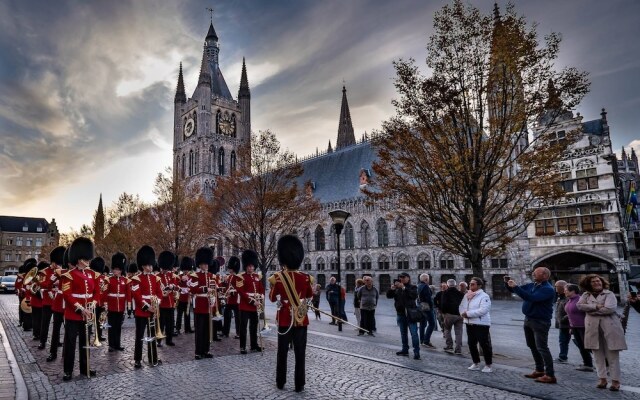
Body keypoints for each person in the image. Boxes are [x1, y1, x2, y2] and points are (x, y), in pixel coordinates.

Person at [269, 235, 314, 393]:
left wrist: (282, 298)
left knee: (282, 353)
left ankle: (280, 381)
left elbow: (272, 297)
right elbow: (309, 295)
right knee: (300, 353)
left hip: (284, 320)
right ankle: (299, 384)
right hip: (301, 320)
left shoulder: (278, 278)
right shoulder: (306, 278)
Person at [506, 267, 556, 384]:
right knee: (532, 345)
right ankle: (539, 370)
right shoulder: (532, 285)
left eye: (536, 273)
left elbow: (531, 298)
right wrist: (508, 284)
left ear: (544, 275)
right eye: (533, 273)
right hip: (528, 319)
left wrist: (515, 287)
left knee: (542, 347)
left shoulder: (547, 289)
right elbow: (516, 291)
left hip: (540, 321)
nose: (533, 274)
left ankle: (550, 375)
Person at [577, 274, 627, 391]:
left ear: (602, 282)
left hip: (610, 328)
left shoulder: (609, 294)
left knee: (612, 356)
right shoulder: (585, 295)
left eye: (598, 281)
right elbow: (579, 306)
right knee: (597, 356)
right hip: (592, 328)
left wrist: (591, 309)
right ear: (589, 284)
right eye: (593, 282)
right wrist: (597, 306)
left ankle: (615, 381)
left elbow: (610, 309)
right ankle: (602, 379)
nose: (596, 283)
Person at [61, 237, 99, 381]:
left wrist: (93, 304)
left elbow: (96, 292)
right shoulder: (68, 275)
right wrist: (81, 309)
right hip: (73, 314)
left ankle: (85, 367)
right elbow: (67, 295)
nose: (88, 260)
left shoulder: (91, 274)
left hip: (87, 314)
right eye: (85, 258)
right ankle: (68, 371)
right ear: (79, 259)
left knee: (85, 343)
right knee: (71, 344)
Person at [130, 245, 163, 369]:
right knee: (140, 336)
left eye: (151, 265)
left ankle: (153, 357)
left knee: (152, 335)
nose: (150, 267)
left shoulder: (156, 278)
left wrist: (156, 304)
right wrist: (147, 307)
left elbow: (159, 294)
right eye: (148, 265)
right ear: (143, 265)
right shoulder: (136, 279)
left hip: (153, 311)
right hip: (142, 312)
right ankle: (137, 359)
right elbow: (137, 296)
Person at [460, 277, 493, 373]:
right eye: (470, 284)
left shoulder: (484, 296)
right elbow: (462, 306)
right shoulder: (468, 295)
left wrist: (468, 314)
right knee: (471, 344)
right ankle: (476, 362)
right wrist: (462, 312)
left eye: (473, 284)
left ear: (479, 285)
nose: (470, 285)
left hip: (481, 323)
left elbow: (483, 310)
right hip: (469, 323)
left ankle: (488, 365)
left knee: (484, 344)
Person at [386, 272, 421, 360]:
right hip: (400, 314)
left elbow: (414, 296)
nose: (401, 279)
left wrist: (404, 288)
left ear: (408, 278)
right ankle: (405, 349)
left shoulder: (413, 287)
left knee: (414, 334)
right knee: (403, 333)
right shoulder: (397, 289)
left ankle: (416, 352)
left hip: (410, 314)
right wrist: (392, 289)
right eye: (400, 277)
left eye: (403, 277)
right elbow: (388, 296)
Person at [237, 249, 265, 354]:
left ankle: (254, 345)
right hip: (245, 305)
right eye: (249, 266)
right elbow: (241, 292)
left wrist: (261, 297)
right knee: (243, 327)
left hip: (255, 305)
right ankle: (242, 347)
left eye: (252, 266)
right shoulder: (240, 277)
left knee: (254, 326)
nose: (251, 268)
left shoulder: (257, 277)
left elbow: (261, 288)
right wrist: (252, 301)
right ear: (246, 267)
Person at [190, 247, 215, 360]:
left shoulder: (211, 276)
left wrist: (214, 297)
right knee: (199, 330)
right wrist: (205, 290)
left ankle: (206, 350)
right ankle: (198, 352)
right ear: (199, 264)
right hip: (199, 304)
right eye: (204, 264)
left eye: (207, 264)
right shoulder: (194, 276)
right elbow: (193, 289)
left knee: (207, 330)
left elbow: (215, 289)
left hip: (208, 305)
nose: (205, 266)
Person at [563, 284, 594, 372]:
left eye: (566, 290)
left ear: (573, 291)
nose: (564, 292)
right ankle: (588, 364)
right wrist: (571, 327)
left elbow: (587, 312)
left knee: (589, 346)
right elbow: (570, 315)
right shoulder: (569, 300)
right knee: (581, 346)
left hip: (583, 327)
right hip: (574, 327)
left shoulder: (580, 300)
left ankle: (606, 363)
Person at [105, 252, 129, 353]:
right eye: (114, 269)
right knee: (111, 326)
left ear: (121, 270)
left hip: (120, 307)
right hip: (111, 306)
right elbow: (105, 293)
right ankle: (111, 345)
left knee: (118, 327)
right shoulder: (109, 280)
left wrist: (127, 306)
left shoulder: (125, 280)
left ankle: (117, 344)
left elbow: (127, 294)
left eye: (118, 269)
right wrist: (106, 304)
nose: (116, 271)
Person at [47, 247, 67, 362]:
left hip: (69, 305)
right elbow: (48, 284)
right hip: (59, 303)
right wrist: (56, 278)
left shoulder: (70, 272)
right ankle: (52, 352)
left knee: (68, 331)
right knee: (56, 330)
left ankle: (66, 352)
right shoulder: (58, 272)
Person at [37, 255, 60, 350]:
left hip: (57, 300)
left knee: (57, 323)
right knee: (45, 323)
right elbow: (41, 284)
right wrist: (52, 284)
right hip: (47, 300)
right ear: (53, 262)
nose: (58, 265)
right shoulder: (44, 272)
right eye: (57, 263)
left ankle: (57, 340)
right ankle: (42, 341)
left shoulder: (60, 271)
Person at [157, 251, 178, 347]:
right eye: (164, 268)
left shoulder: (171, 276)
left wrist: (172, 287)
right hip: (162, 304)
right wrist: (164, 290)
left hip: (170, 303)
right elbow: (157, 290)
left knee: (170, 323)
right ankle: (159, 340)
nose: (165, 270)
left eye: (166, 268)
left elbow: (177, 287)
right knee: (161, 323)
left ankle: (169, 340)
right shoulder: (157, 277)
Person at [441, 279, 464, 355]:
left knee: (447, 330)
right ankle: (458, 349)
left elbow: (443, 304)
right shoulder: (460, 293)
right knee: (459, 332)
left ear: (447, 285)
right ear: (455, 285)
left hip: (449, 314)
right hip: (460, 315)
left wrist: (444, 313)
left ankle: (449, 346)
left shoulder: (445, 292)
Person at [222, 256, 241, 338]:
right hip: (229, 300)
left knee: (238, 318)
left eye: (230, 268)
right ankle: (225, 332)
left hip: (236, 300)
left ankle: (238, 333)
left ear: (233, 268)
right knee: (226, 316)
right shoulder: (229, 277)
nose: (229, 269)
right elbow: (227, 287)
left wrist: (232, 292)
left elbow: (239, 288)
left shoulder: (238, 277)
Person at [175, 256, 195, 335]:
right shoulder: (179, 277)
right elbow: (177, 285)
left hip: (188, 297)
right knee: (179, 314)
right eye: (185, 269)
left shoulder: (191, 277)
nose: (186, 271)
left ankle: (188, 328)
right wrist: (182, 281)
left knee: (187, 314)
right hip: (180, 298)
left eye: (187, 269)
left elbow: (192, 286)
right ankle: (178, 328)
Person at [554, 280, 570, 363]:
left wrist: (562, 319)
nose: (555, 288)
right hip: (562, 324)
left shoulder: (567, 297)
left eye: (556, 287)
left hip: (568, 324)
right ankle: (563, 357)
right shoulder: (560, 296)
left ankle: (589, 360)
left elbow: (571, 311)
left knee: (579, 343)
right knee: (562, 341)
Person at [417, 274, 436, 348]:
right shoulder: (425, 286)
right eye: (428, 279)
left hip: (420, 306)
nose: (429, 280)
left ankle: (422, 340)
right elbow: (428, 298)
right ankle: (426, 341)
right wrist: (432, 306)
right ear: (426, 279)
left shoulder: (419, 286)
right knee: (432, 324)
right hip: (426, 307)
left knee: (422, 324)